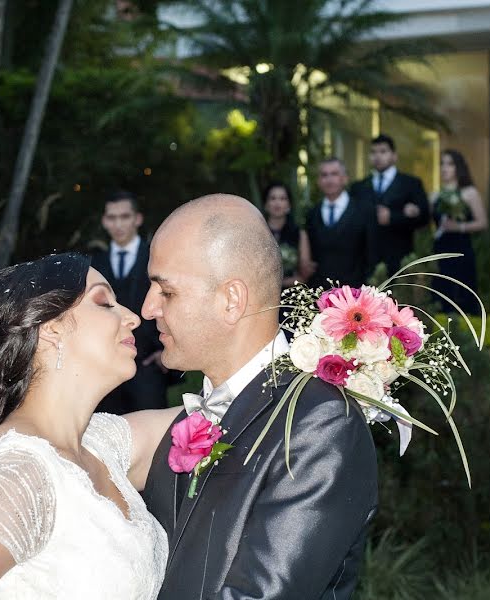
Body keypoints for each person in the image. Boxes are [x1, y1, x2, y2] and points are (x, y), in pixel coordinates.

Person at [0, 253, 176, 599]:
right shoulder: (18, 471)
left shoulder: (100, 444)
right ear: (51, 329)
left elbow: (222, 408)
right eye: (104, 303)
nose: (130, 317)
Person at [139, 194, 378, 599]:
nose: (147, 308)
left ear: (232, 300)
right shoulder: (188, 420)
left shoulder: (318, 421)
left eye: (167, 291)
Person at [91, 191, 168, 413]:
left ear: (137, 219)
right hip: (106, 370)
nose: (118, 224)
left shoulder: (155, 258)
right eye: (112, 218)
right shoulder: (95, 264)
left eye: (124, 217)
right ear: (105, 221)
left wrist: (165, 352)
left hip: (148, 367)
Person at [351, 133, 430, 276]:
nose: (378, 156)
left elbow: (425, 218)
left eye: (383, 151)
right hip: (366, 263)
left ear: (394, 156)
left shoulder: (411, 184)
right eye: (373, 152)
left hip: (400, 261)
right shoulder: (358, 187)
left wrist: (394, 217)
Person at [305, 157, 378, 288]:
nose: (329, 179)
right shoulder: (312, 214)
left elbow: (372, 253)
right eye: (324, 175)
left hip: (355, 291)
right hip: (319, 292)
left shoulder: (364, 211)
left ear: (345, 178)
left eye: (334, 174)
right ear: (318, 181)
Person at [431, 149, 488, 314]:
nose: (444, 168)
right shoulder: (435, 195)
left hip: (461, 250)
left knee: (461, 293)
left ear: (458, 167)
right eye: (442, 164)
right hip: (440, 249)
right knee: (441, 293)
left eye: (449, 164)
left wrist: (460, 227)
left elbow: (482, 222)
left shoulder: (469, 193)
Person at [262, 181, 313, 287]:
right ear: (266, 204)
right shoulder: (257, 232)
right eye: (273, 198)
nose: (277, 203)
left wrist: (278, 284)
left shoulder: (300, 234)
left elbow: (304, 275)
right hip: (260, 292)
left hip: (291, 294)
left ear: (289, 205)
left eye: (282, 198)